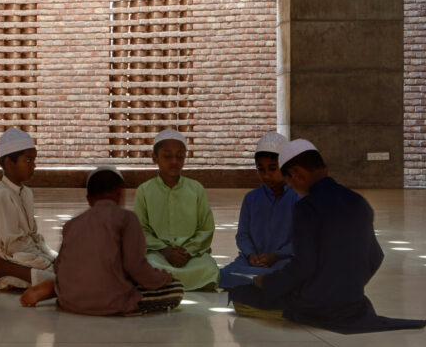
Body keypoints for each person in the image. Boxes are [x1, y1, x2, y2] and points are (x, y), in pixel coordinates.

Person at [228, 139, 426, 333]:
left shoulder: (306, 207)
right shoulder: (358, 201)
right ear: (325, 167)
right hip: (352, 303)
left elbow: (303, 266)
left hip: (313, 303)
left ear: (296, 175)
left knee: (241, 296)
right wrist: (348, 287)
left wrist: (267, 283)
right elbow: (375, 257)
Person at [20, 166, 184, 313]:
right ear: (120, 192)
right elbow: (136, 266)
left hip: (69, 300)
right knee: (176, 288)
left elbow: (59, 267)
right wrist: (164, 277)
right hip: (111, 301)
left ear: (89, 199)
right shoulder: (127, 219)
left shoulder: (72, 224)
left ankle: (55, 289)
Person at [132, 129, 220, 291]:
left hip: (191, 256)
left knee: (209, 268)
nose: (174, 161)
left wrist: (187, 251)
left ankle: (166, 284)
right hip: (158, 254)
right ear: (154, 158)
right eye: (167, 156)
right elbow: (140, 230)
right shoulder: (144, 191)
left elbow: (206, 228)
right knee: (149, 265)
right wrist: (165, 251)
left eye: (179, 156)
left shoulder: (196, 189)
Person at [0, 128, 57, 292]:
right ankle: (0, 268)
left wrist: (50, 257)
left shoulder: (26, 193)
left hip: (24, 256)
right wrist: (46, 262)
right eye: (28, 161)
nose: (33, 166)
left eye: (34, 161)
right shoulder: (1, 195)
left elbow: (33, 236)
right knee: (60, 282)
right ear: (9, 162)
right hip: (10, 258)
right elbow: (13, 246)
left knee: (67, 268)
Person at [219, 132, 300, 289]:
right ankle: (265, 283)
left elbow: (302, 240)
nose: (266, 175)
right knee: (225, 275)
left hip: (284, 260)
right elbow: (242, 235)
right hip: (252, 262)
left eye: (272, 169)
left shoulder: (298, 199)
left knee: (293, 273)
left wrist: (276, 256)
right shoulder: (251, 198)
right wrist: (251, 255)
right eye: (261, 169)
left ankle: (261, 282)